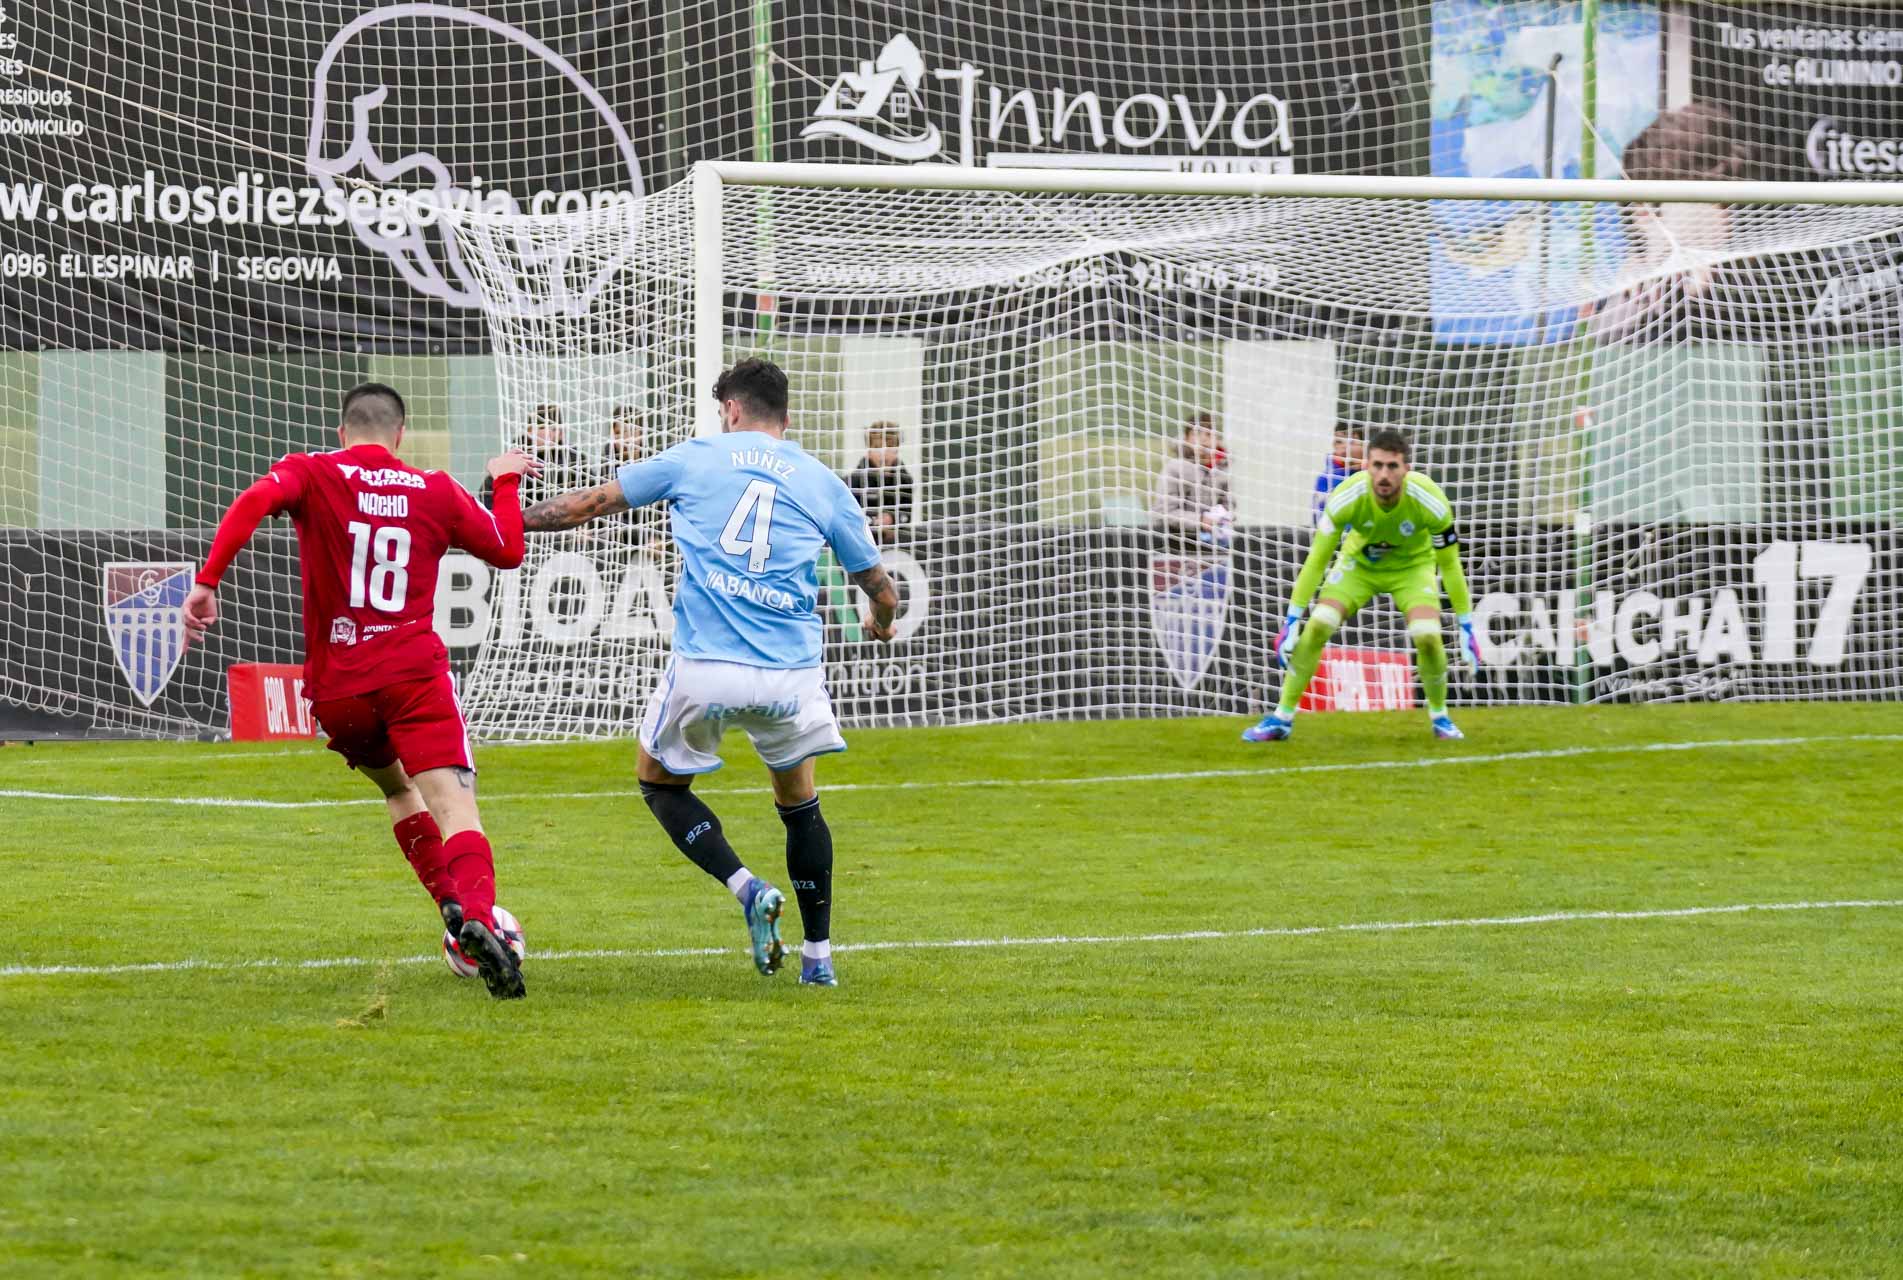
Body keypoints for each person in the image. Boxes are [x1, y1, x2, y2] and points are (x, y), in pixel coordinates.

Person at [519, 357, 899, 988]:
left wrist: (497, 524)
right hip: (790, 677)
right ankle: (819, 958)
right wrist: (881, 622)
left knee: (659, 784)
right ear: (786, 417)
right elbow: (878, 586)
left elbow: (586, 504)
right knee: (800, 803)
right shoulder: (822, 480)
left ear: (730, 410)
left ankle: (748, 889)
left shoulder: (694, 457)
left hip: (710, 669)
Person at [182, 382, 537, 999]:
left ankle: (450, 908)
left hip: (339, 690)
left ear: (342, 431)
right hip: (413, 676)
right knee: (456, 808)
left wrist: (208, 581)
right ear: (399, 435)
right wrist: (504, 480)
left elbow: (251, 502)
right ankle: (479, 915)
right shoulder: (434, 489)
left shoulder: (312, 472)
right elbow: (507, 550)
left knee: (399, 790)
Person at [1243, 428, 1481, 743]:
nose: (1384, 474)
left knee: (1427, 635)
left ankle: (1441, 717)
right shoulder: (1346, 496)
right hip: (1359, 565)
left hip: (1412, 568)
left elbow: (1450, 564)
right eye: (1377, 465)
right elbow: (1317, 560)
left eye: (1392, 467)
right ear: (1366, 466)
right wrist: (1291, 620)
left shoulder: (1430, 500)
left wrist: (1466, 625)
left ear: (1406, 469)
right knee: (1318, 624)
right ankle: (1281, 718)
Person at [1152, 411, 1232, 547]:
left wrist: (1224, 517)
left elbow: (1230, 506)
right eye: (1196, 434)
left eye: (1209, 434)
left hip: (1213, 544)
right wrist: (1200, 520)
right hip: (1174, 543)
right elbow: (1163, 511)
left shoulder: (1223, 471)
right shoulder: (1175, 468)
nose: (1203, 440)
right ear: (1186, 439)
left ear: (1217, 440)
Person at [845, 421, 915, 544]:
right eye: (877, 447)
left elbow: (906, 516)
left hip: (894, 543)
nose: (884, 453)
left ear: (897, 449)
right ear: (869, 450)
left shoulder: (905, 480)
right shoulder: (854, 481)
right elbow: (848, 518)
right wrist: (873, 521)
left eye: (890, 447)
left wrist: (891, 518)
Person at [1312, 424, 1365, 525]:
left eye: (1352, 442)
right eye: (1339, 442)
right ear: (1333, 445)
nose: (1344, 447)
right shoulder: (1326, 478)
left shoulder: (1373, 474)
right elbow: (1319, 519)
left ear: (1363, 445)